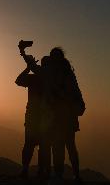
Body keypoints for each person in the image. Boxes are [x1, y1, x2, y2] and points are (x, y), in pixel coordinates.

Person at [47, 47, 85, 181]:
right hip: (63, 117)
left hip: (64, 117)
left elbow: (71, 94)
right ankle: (72, 175)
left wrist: (60, 95)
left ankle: (63, 175)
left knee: (63, 146)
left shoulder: (65, 75)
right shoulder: (65, 74)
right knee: (67, 146)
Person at [16, 53, 51, 178]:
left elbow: (18, 81)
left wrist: (28, 68)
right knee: (41, 146)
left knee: (30, 145)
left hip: (34, 116)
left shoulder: (34, 78)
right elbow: (18, 81)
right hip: (42, 117)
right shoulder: (48, 80)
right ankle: (39, 171)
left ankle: (27, 170)